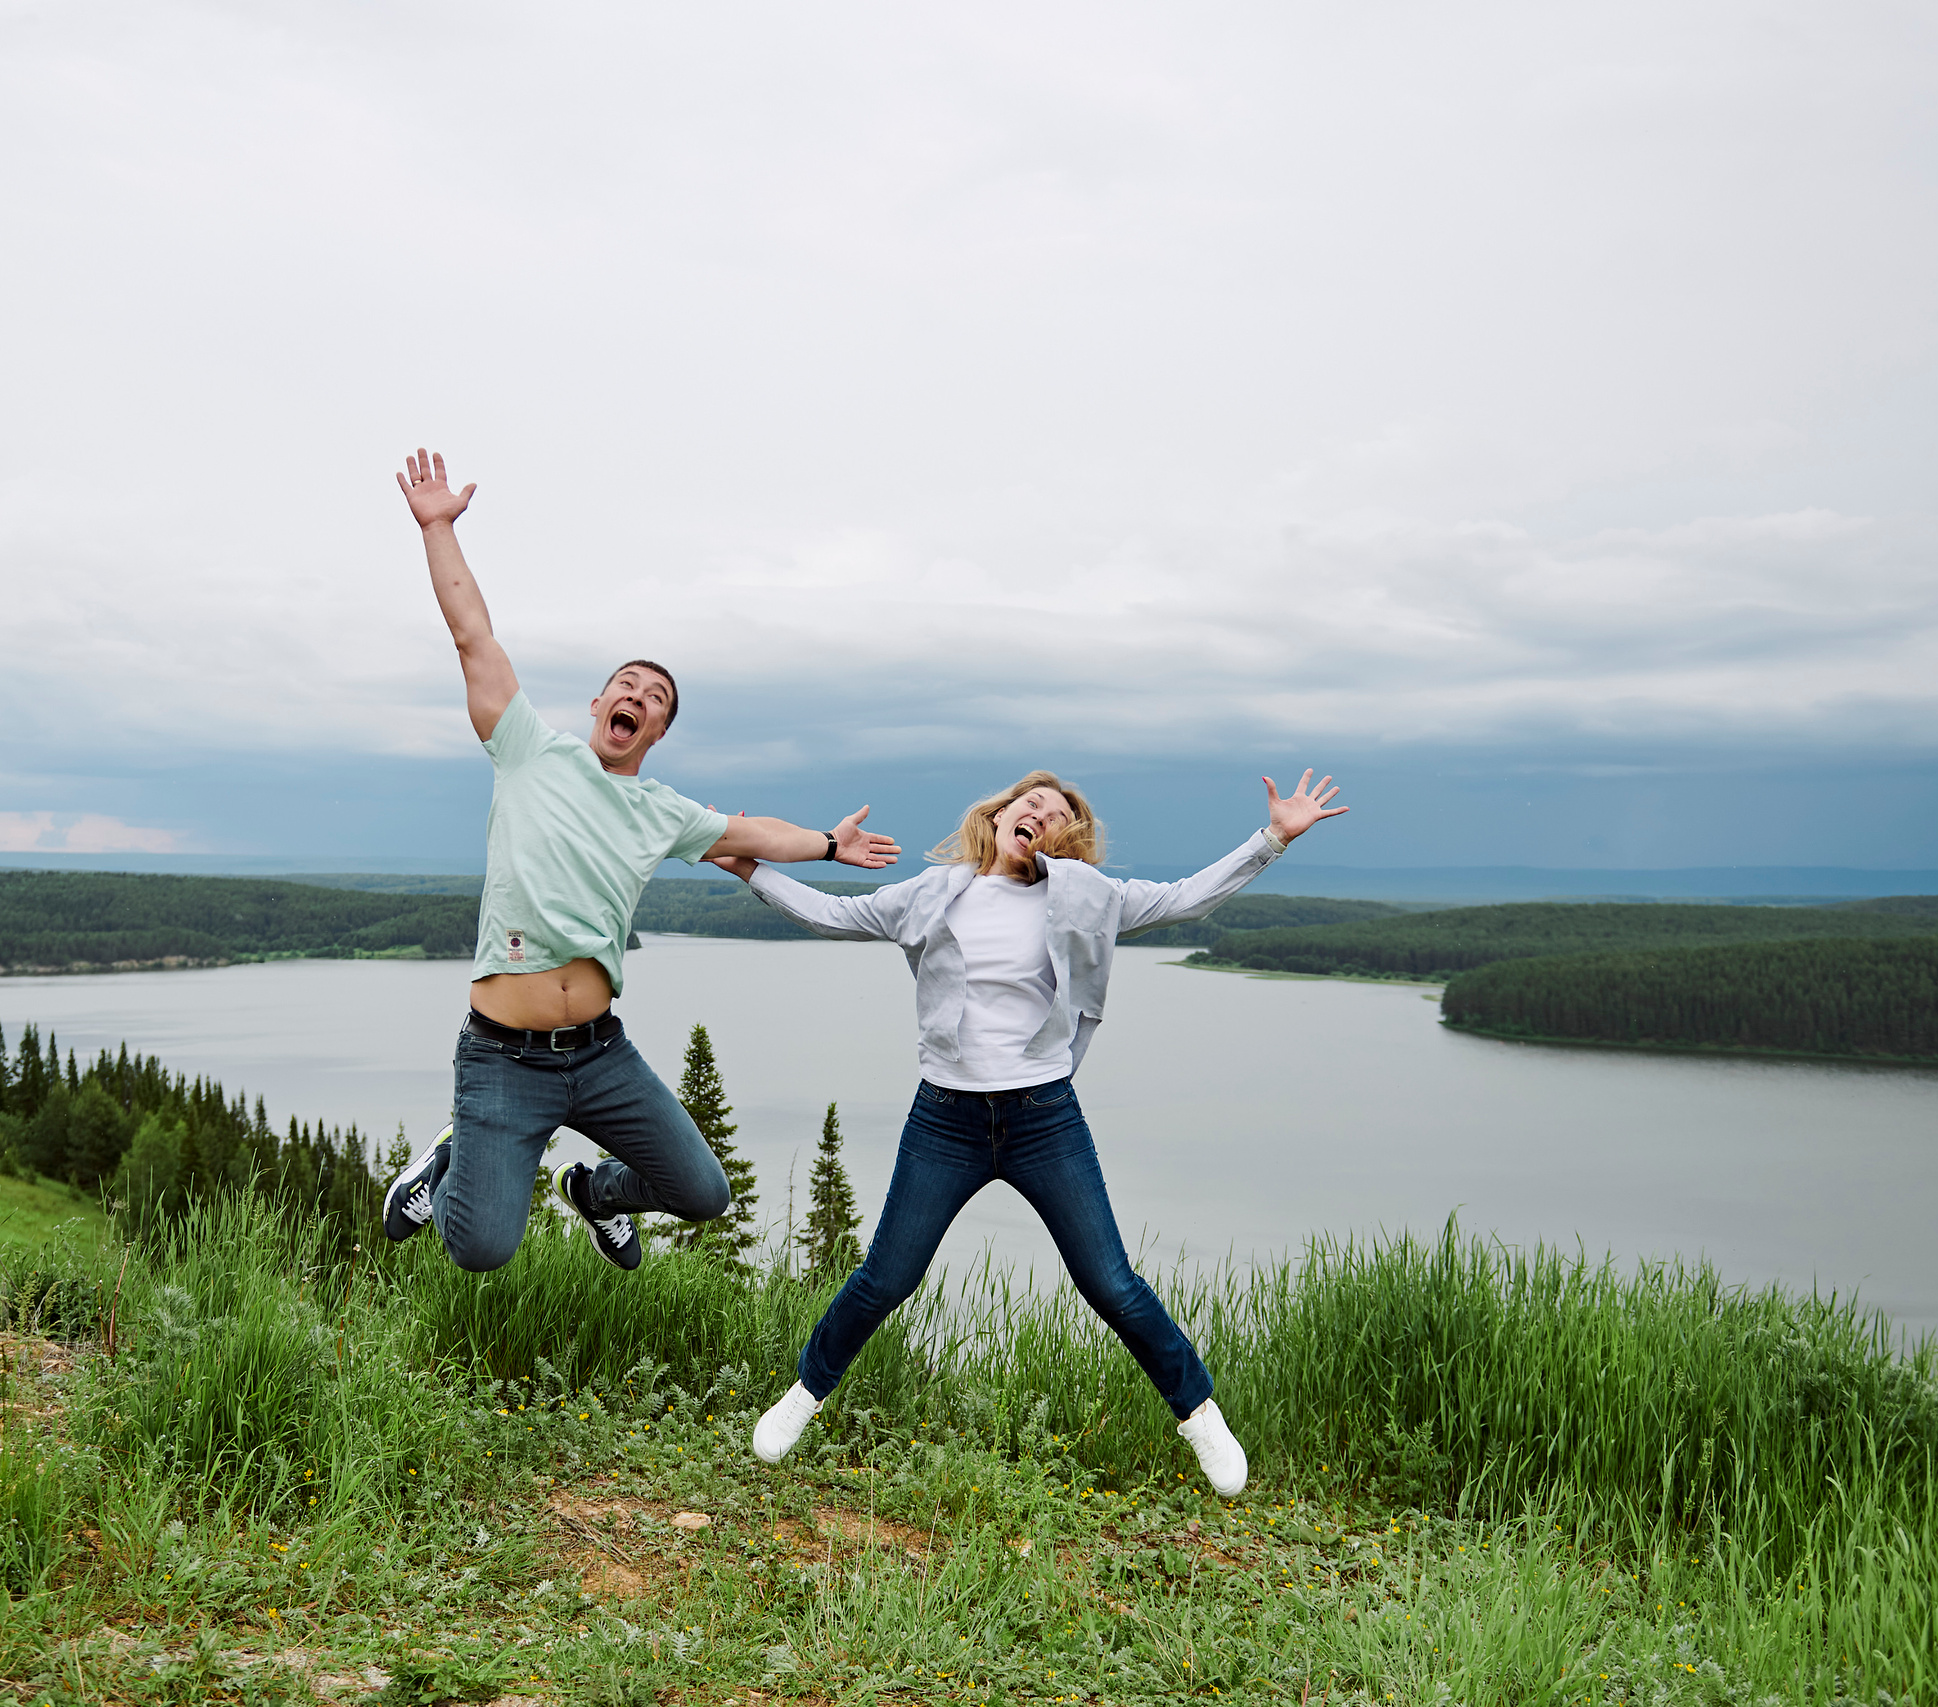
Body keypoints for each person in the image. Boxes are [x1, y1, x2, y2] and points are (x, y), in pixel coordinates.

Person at [712, 766, 1345, 1496]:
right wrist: (749, 867)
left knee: (1110, 1281)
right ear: (999, 813)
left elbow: (1183, 900)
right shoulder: (932, 892)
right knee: (886, 1276)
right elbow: (833, 914)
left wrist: (1272, 839)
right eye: (1030, 802)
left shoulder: (1086, 897)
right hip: (945, 1118)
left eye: (1055, 813)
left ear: (1064, 838)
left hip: (1043, 1117)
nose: (1039, 814)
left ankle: (1200, 1413)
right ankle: (804, 1395)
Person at [382, 448, 902, 1274]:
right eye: (627, 685)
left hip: (598, 1054)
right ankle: (444, 1168)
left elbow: (753, 834)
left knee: (702, 1191)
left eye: (655, 700)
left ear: (655, 734)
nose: (638, 698)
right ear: (598, 704)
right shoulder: (527, 749)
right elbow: (472, 634)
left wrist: (832, 843)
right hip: (500, 1056)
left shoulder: (661, 810)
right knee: (480, 1246)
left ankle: (594, 1194)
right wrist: (439, 526)